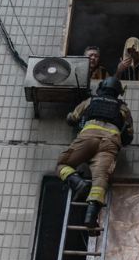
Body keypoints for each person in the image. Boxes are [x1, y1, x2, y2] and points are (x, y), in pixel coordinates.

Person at [57, 76, 134, 234]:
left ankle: (78, 183)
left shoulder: (91, 101)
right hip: (110, 142)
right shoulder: (124, 108)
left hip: (88, 137)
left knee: (62, 164)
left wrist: (71, 116)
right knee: (100, 180)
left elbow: (72, 119)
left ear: (101, 87)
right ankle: (90, 217)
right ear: (118, 92)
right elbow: (129, 136)